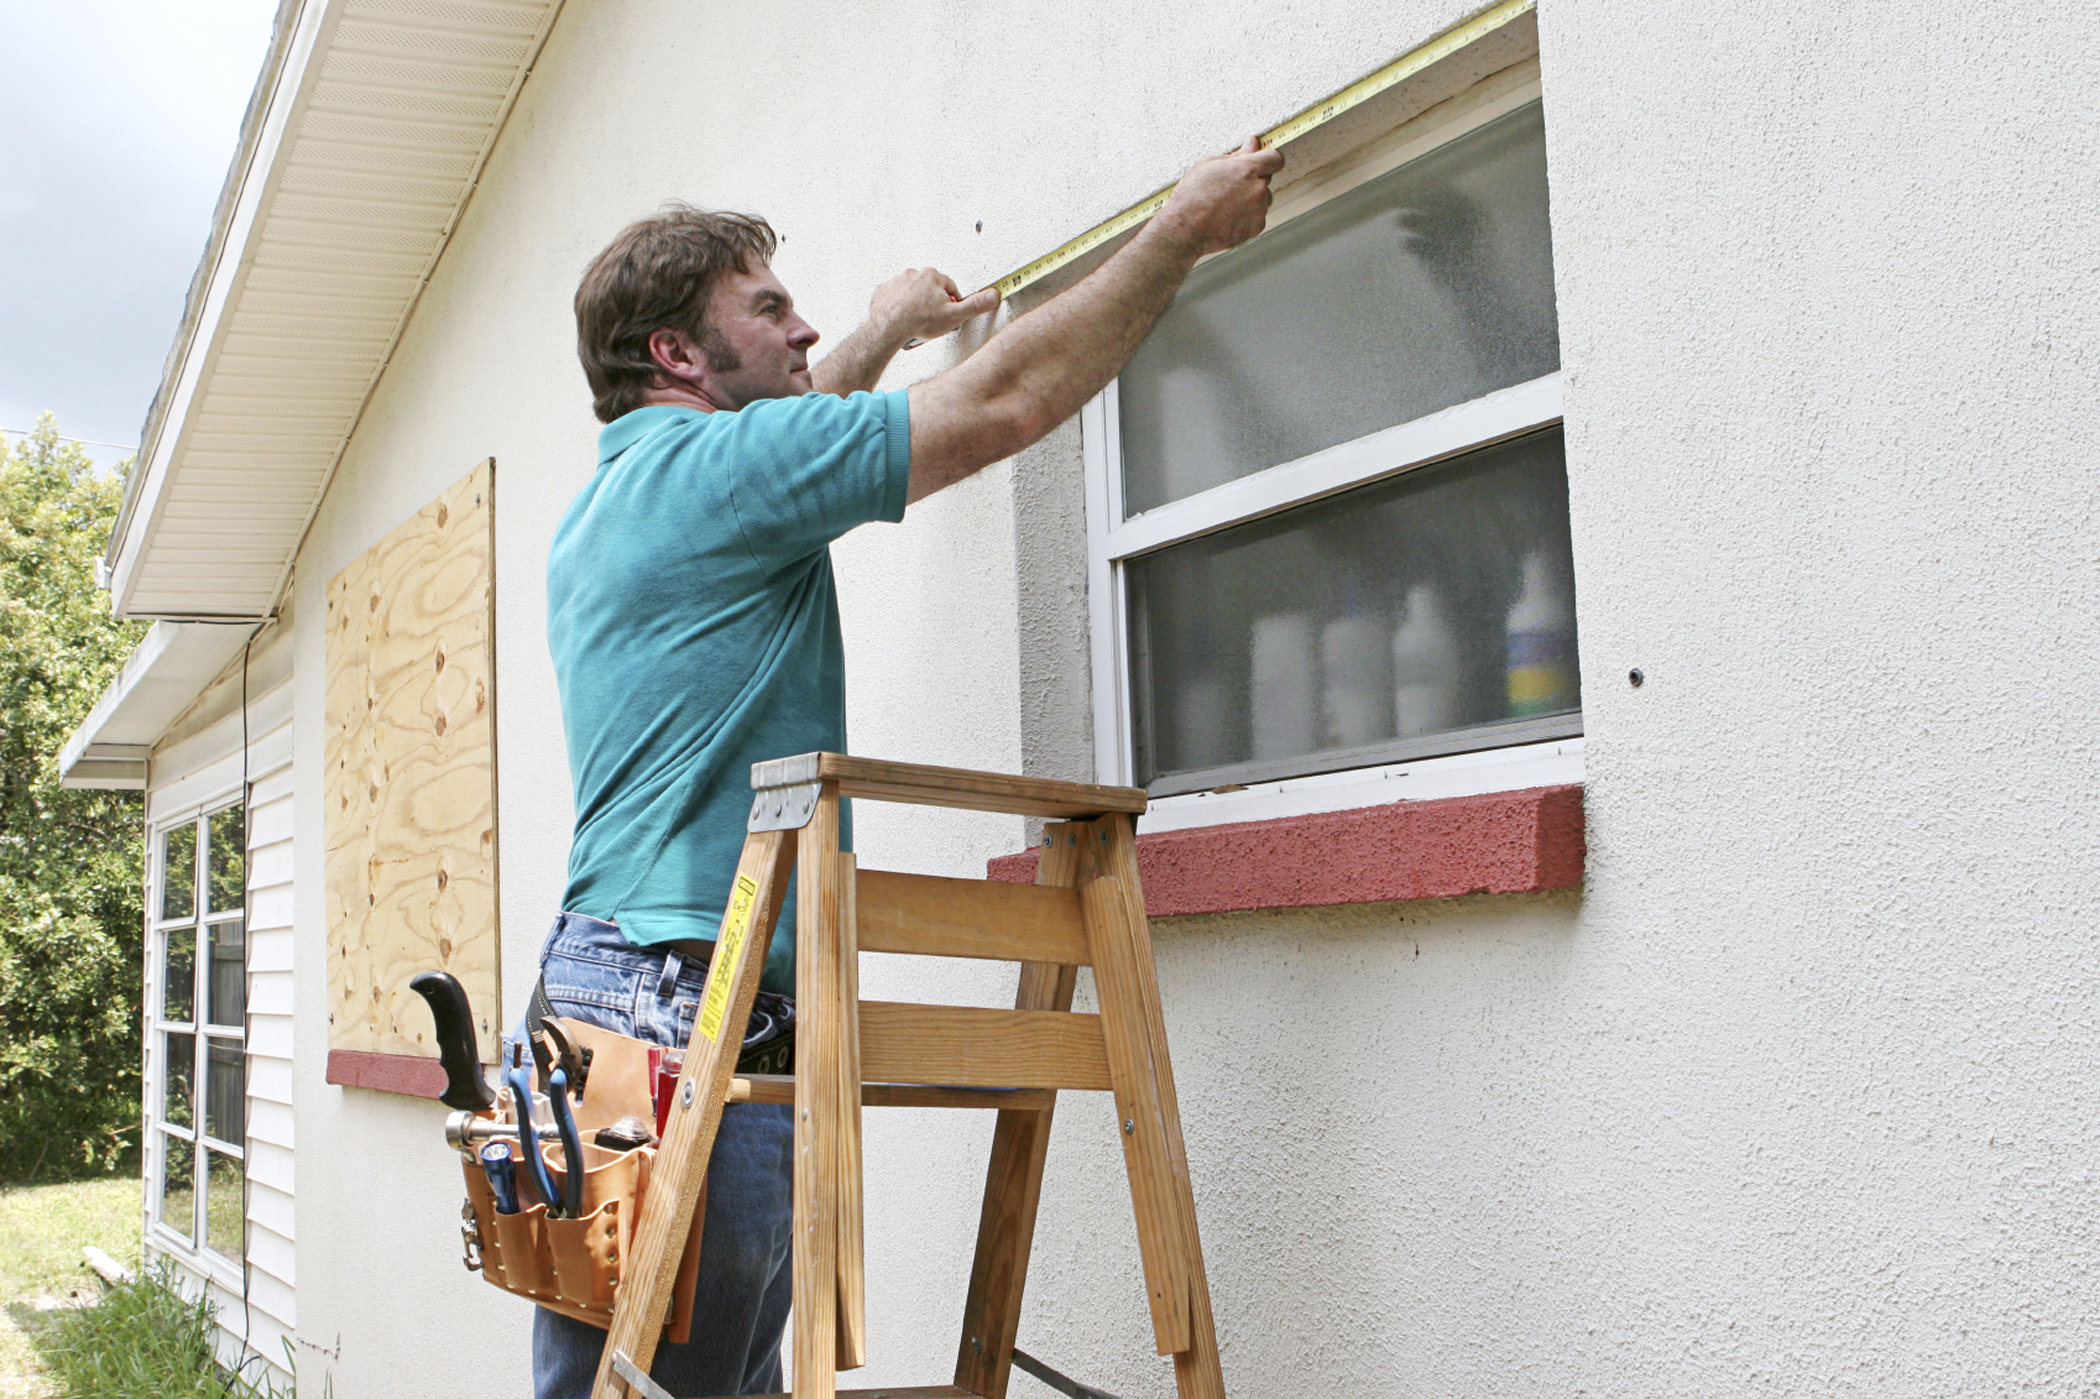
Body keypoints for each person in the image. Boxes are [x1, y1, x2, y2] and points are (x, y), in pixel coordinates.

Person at [532, 135, 1282, 1398]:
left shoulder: (614, 501)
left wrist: (883, 330)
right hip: (689, 997)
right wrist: (1179, 231)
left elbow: (794, 434)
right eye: (768, 308)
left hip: (601, 995)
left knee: (622, 1379)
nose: (803, 329)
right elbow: (1002, 403)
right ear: (677, 355)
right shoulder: (725, 473)